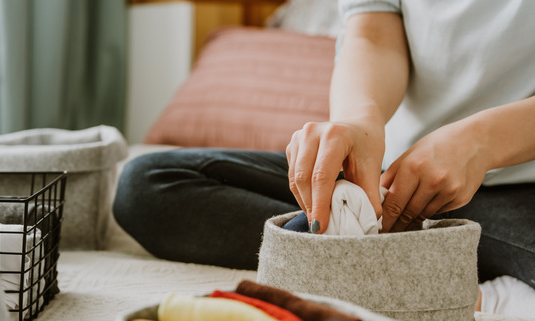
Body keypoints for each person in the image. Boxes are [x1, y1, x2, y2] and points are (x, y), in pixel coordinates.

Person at [113, 1, 535, 292]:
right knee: (147, 184)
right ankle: (422, 269)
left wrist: (484, 140)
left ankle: (358, 263)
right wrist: (356, 121)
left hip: (520, 188)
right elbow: (373, 38)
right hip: (390, 180)